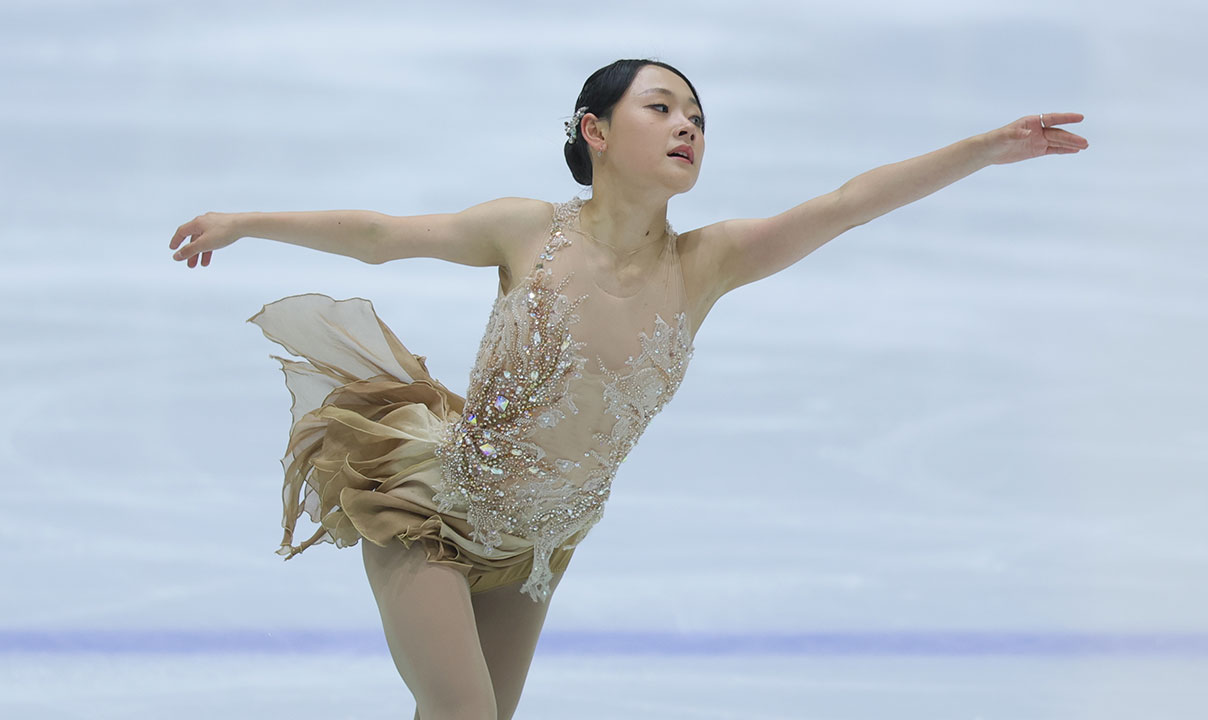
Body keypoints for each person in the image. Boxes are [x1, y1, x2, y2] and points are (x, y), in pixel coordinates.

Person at [168, 57, 1088, 720]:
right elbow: (379, 236)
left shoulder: (707, 264)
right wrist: (246, 221)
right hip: (432, 509)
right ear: (596, 131)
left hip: (539, 548)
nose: (688, 125)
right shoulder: (528, 230)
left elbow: (846, 204)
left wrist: (983, 148)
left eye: (697, 116)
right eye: (663, 107)